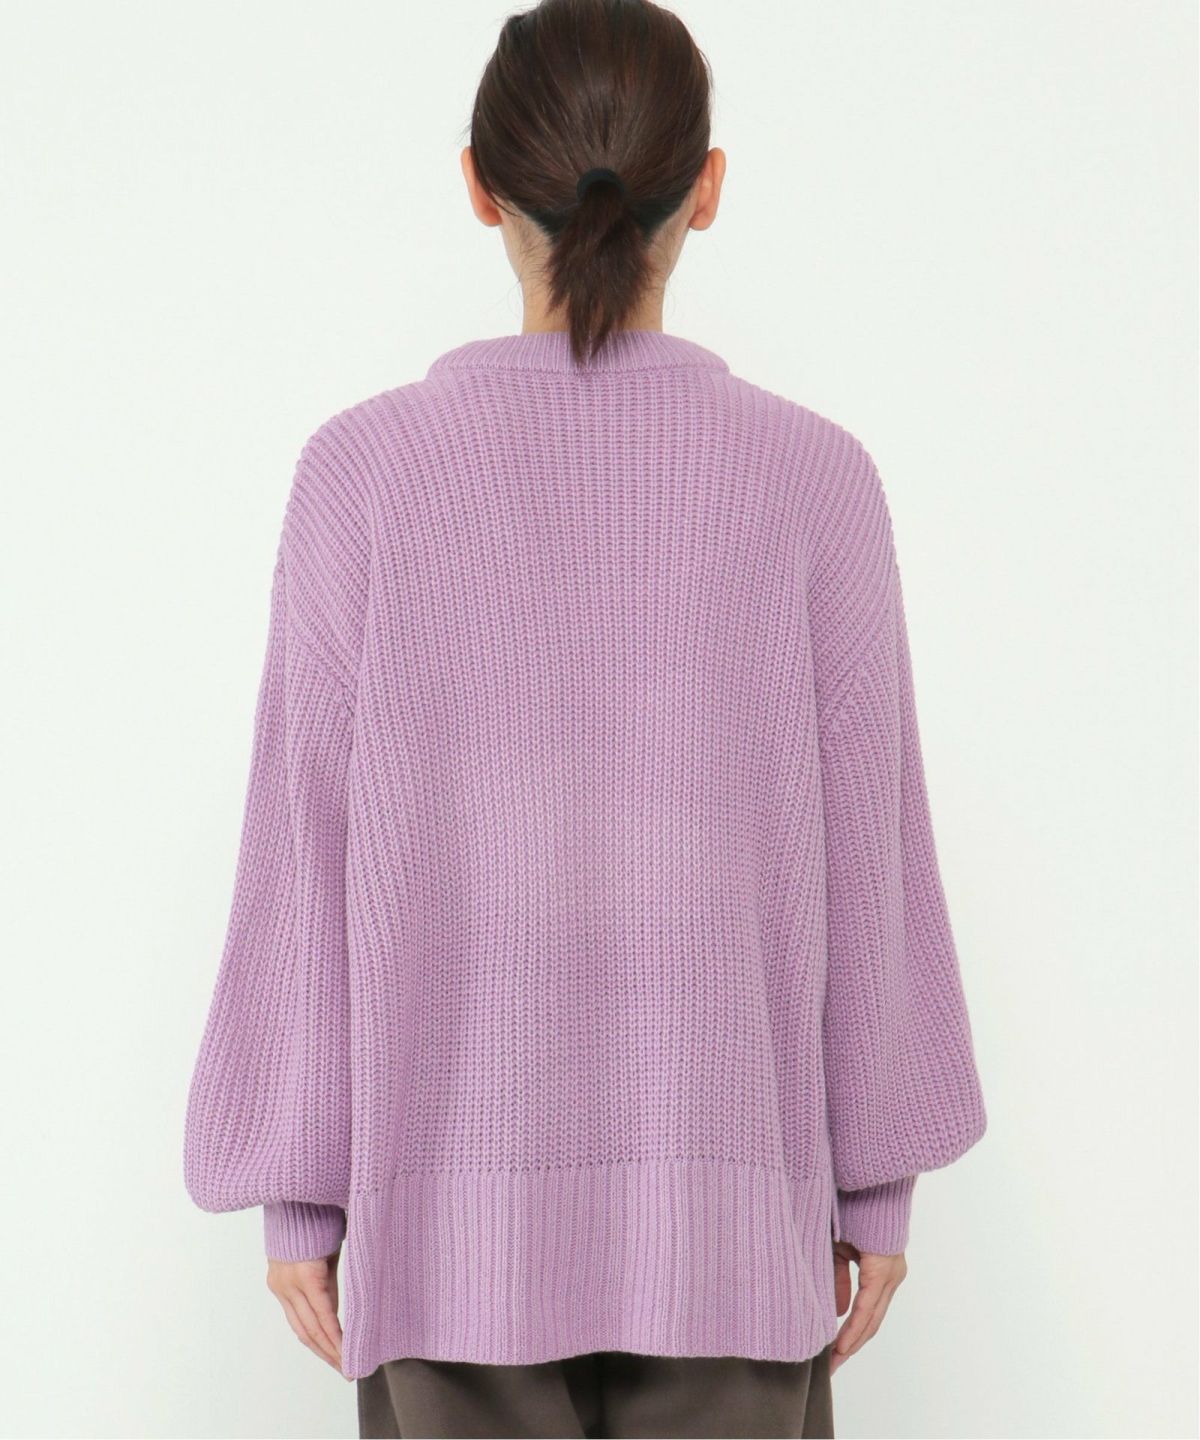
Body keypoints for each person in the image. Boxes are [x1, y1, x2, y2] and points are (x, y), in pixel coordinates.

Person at [182, 1, 988, 1435]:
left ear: (479, 187)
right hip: (733, 1216)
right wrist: (874, 1183)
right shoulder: (815, 480)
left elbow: (306, 839)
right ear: (708, 188)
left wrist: (301, 1190)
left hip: (447, 1225)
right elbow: (867, 842)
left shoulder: (364, 476)